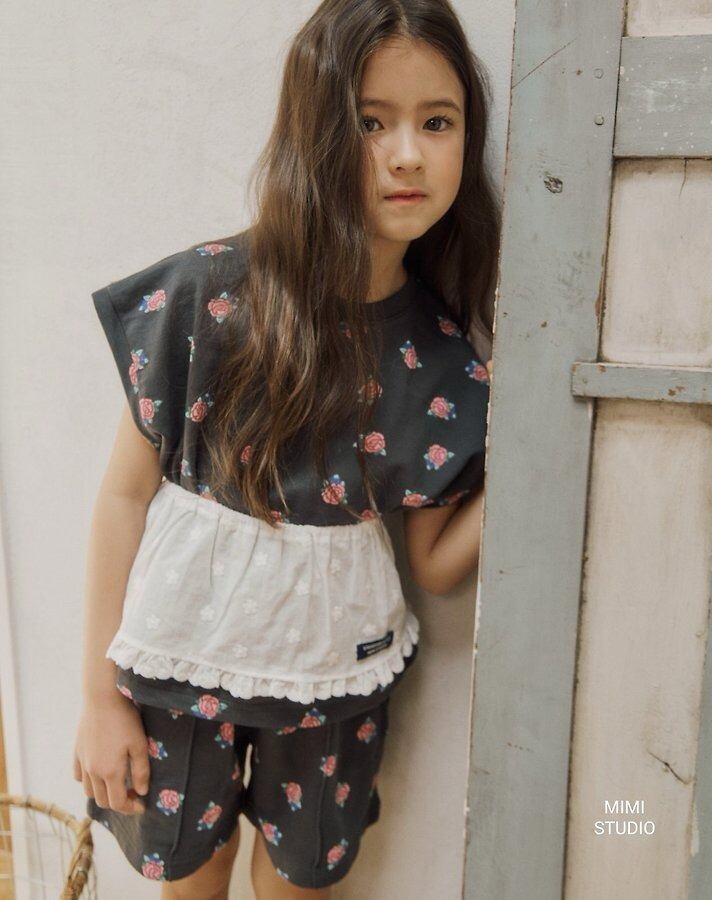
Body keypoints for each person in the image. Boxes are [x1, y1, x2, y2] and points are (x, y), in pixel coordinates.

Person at [73, 0, 499, 895]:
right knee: (193, 866)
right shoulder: (210, 296)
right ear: (316, 131)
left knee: (301, 877)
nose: (408, 155)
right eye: (371, 123)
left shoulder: (444, 358)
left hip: (332, 666)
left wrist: (529, 445)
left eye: (438, 122)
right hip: (182, 651)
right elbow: (122, 496)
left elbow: (436, 564)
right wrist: (98, 695)